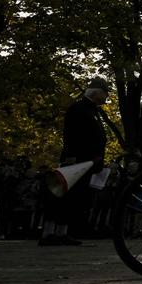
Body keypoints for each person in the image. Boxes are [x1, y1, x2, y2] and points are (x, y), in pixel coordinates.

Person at [41, 76, 109, 246]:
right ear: (96, 92)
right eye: (105, 94)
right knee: (62, 195)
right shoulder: (79, 108)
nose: (106, 98)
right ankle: (48, 233)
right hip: (76, 159)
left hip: (87, 161)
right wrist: (71, 156)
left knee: (74, 198)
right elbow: (71, 134)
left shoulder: (93, 111)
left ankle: (62, 232)